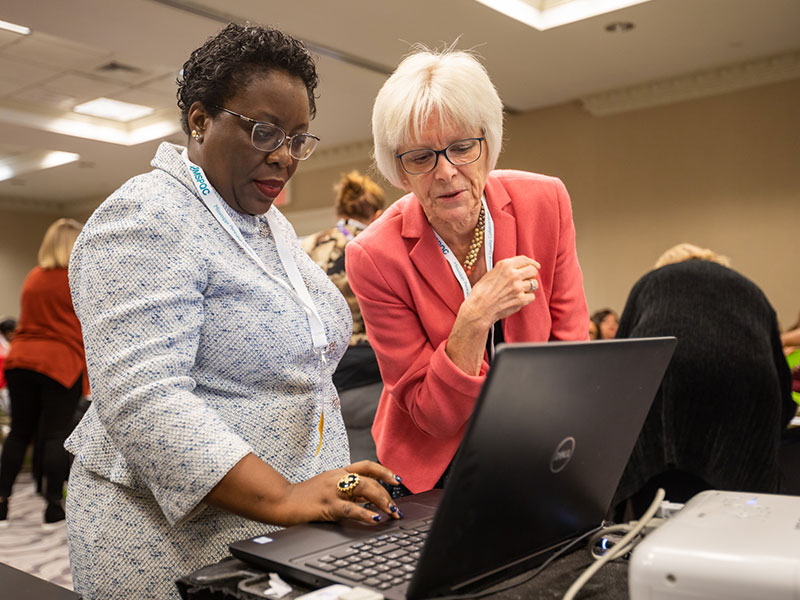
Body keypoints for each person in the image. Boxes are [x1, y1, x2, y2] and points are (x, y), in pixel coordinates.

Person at [64, 23, 402, 600]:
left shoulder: (266, 225)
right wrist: (284, 496)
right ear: (199, 121)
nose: (285, 156)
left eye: (299, 138)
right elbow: (145, 398)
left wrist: (332, 483)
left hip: (278, 528)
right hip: (170, 545)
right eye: (265, 131)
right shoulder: (148, 215)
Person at [345, 47, 589, 495]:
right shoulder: (374, 256)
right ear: (399, 171)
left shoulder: (545, 202)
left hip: (533, 437)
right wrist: (474, 317)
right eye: (420, 157)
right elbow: (430, 412)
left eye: (461, 148)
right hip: (434, 461)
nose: (445, 172)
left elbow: (571, 350)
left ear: (488, 146)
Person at [612, 243, 794, 515]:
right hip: (744, 400)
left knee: (656, 515)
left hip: (665, 401)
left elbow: (620, 364)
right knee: (738, 517)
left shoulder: (652, 283)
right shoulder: (751, 290)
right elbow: (781, 383)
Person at [0, 219, 86, 530]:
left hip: (21, 359)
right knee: (55, 434)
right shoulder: (76, 277)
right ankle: (52, 508)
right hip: (59, 362)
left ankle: (1, 504)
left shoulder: (34, 276)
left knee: (20, 432)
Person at [302, 170, 385, 392]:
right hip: (366, 367)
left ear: (339, 212)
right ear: (378, 216)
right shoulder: (376, 245)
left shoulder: (306, 246)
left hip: (319, 365)